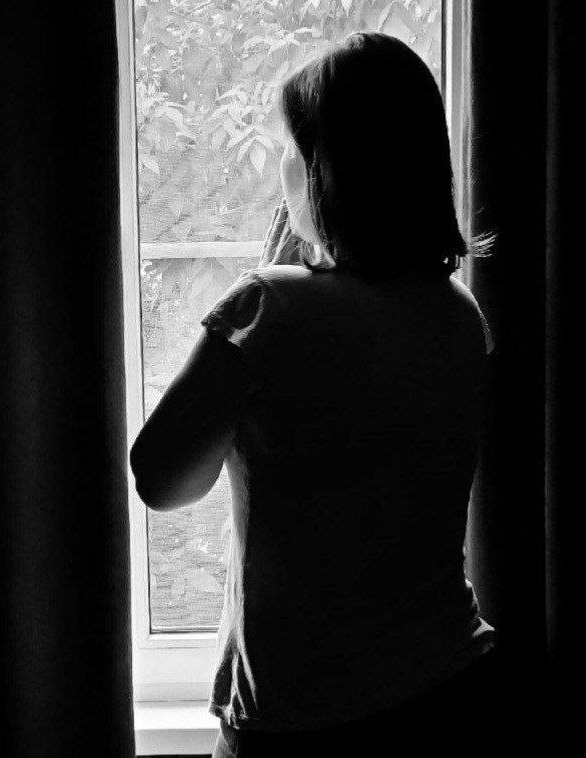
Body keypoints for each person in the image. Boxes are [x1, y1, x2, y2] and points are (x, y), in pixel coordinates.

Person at [129, 32, 500, 755]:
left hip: (305, 712)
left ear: (321, 172)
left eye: (288, 153)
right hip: (449, 684)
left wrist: (255, 306)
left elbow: (161, 481)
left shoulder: (266, 308)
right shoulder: (462, 316)